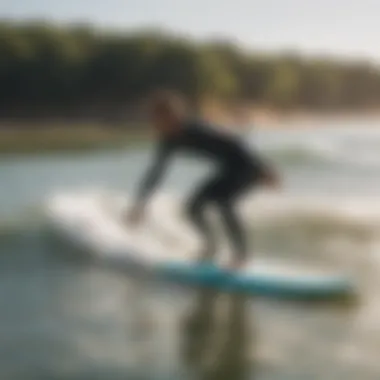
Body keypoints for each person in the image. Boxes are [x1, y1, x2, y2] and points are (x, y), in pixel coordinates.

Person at [128, 90, 280, 270]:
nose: (155, 124)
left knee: (224, 203)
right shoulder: (168, 141)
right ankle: (211, 247)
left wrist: (262, 169)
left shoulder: (195, 129)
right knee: (192, 208)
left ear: (172, 116)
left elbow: (233, 143)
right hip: (228, 170)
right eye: (154, 120)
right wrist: (140, 203)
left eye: (158, 119)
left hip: (247, 167)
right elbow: (155, 173)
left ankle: (240, 257)